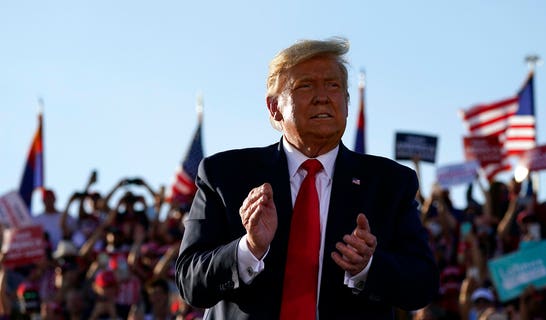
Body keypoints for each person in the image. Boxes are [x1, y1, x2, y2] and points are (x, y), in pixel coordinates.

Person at [175, 37, 439, 319]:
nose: (323, 96)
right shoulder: (224, 175)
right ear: (274, 107)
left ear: (347, 104)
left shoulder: (391, 183)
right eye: (306, 85)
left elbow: (422, 285)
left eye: (333, 85)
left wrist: (368, 267)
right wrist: (248, 249)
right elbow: (190, 282)